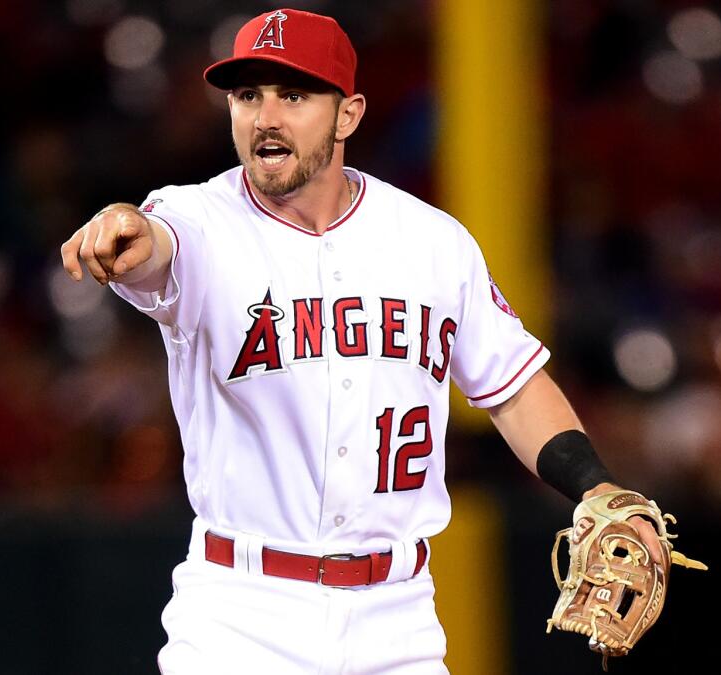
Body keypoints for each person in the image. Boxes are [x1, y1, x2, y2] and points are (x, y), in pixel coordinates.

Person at [60, 9, 666, 673]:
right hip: (242, 615)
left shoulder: (432, 242)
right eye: (247, 95)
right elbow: (155, 245)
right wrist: (126, 229)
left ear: (348, 114)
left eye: (293, 95)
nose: (266, 116)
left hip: (396, 619)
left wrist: (594, 484)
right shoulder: (199, 219)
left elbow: (513, 387)